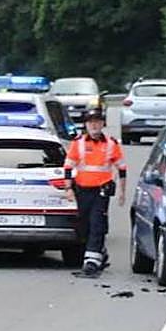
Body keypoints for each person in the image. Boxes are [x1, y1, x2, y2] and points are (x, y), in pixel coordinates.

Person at [62, 107, 127, 275]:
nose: (94, 126)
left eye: (97, 122)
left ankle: (91, 263)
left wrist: (122, 192)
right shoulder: (79, 143)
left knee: (97, 224)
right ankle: (100, 253)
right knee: (84, 225)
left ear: (103, 124)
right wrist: (68, 188)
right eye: (91, 123)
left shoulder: (111, 144)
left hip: (101, 190)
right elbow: (68, 166)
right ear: (86, 125)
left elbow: (121, 168)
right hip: (82, 190)